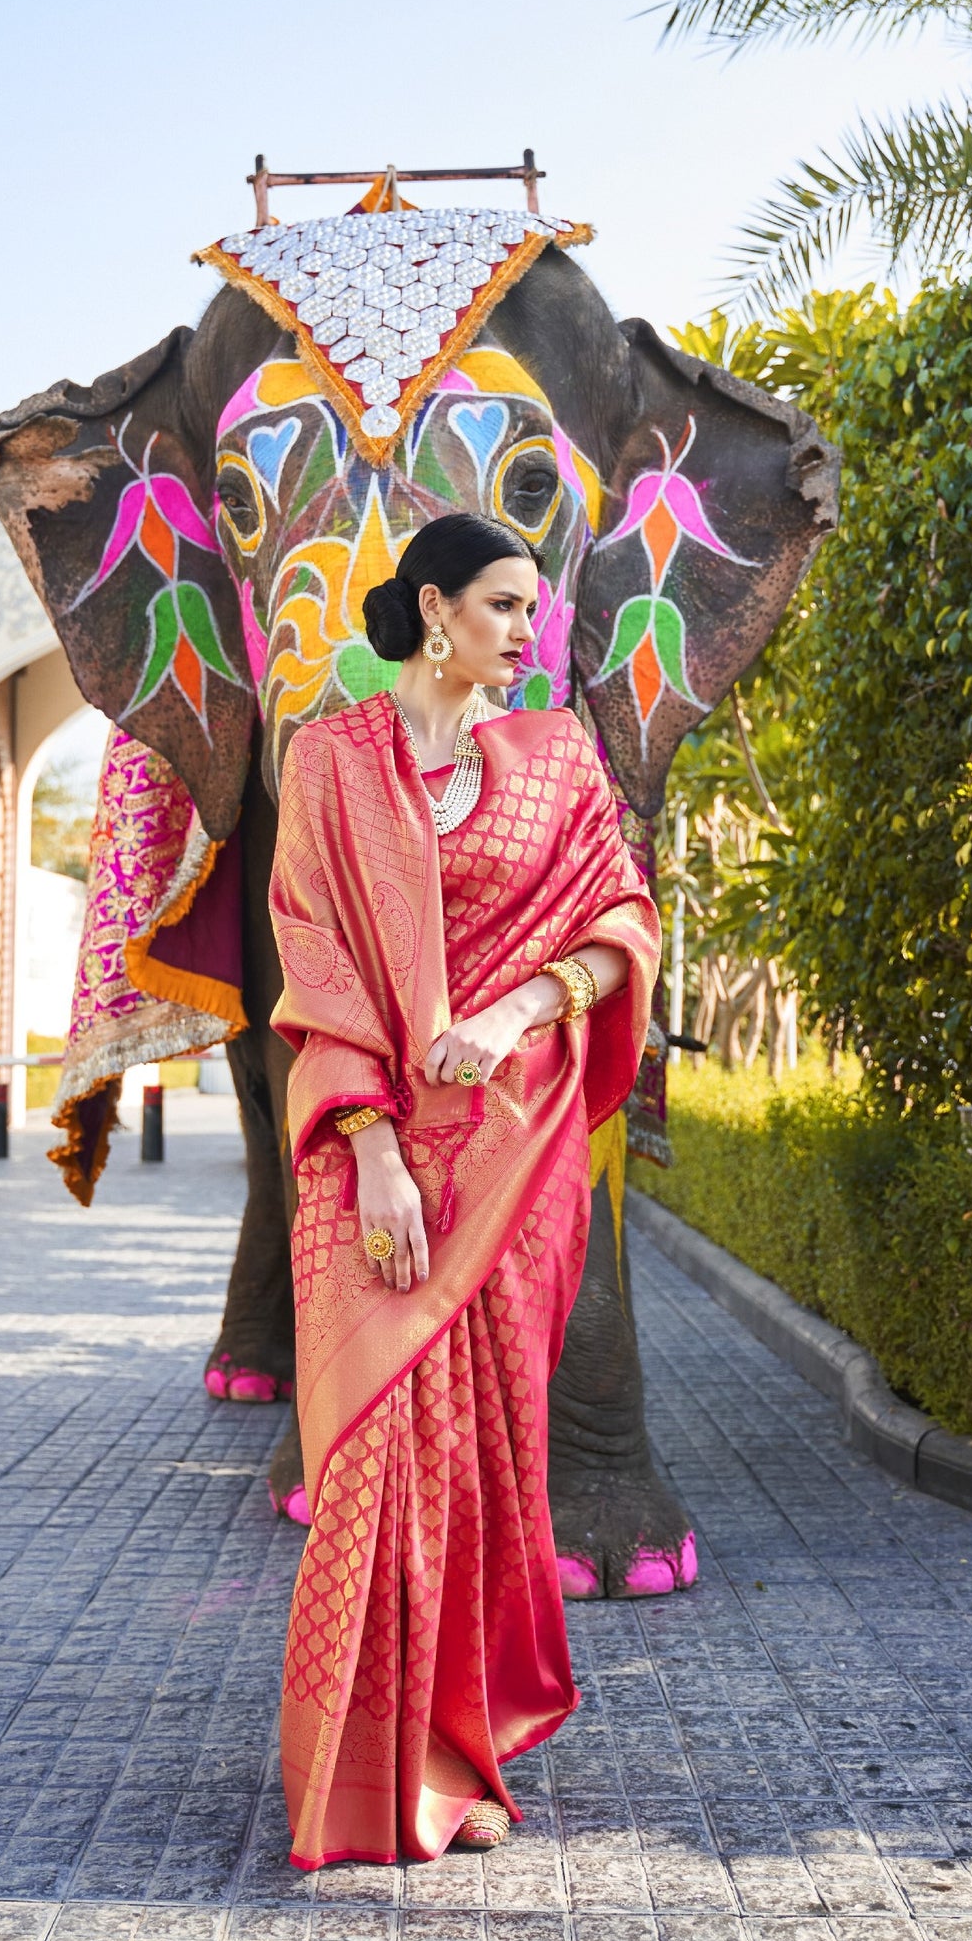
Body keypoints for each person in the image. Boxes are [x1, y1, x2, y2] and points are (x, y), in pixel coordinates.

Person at [270, 511, 661, 1868]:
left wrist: (511, 1016)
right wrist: (373, 1145)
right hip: (366, 1147)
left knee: (483, 1456)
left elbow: (622, 925)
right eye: (502, 604)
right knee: (376, 1448)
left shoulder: (555, 758)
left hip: (511, 1144)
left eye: (528, 608)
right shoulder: (327, 759)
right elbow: (312, 954)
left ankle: (460, 1754)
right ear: (434, 610)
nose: (524, 629)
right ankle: (355, 1774)